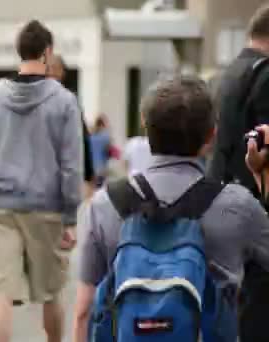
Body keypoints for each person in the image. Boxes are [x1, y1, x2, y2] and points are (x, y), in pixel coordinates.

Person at [73, 75, 269, 341]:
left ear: (145, 126)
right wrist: (263, 176)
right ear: (211, 135)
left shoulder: (105, 204)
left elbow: (84, 311)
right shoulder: (237, 206)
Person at [0, 20, 82, 342]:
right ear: (47, 53)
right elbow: (71, 165)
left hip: (0, 206)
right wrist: (70, 217)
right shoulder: (64, 101)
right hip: (46, 209)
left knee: (1, 292)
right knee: (51, 291)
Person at [207, 5, 269, 340]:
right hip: (255, 208)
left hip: (218, 199)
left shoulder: (225, 75)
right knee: (257, 311)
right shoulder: (265, 75)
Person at [48, 55, 94, 195]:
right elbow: (83, 139)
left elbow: (83, 138)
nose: (52, 73)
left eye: (54, 69)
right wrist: (88, 174)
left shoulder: (29, 99)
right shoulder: (69, 101)